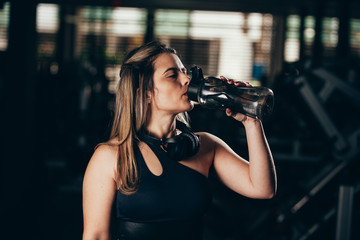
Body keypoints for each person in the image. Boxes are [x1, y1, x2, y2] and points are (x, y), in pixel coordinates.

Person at [82, 41, 277, 240]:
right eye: (172, 74)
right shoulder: (110, 156)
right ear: (145, 93)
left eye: (184, 71)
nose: (186, 79)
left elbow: (263, 189)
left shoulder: (205, 146)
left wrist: (251, 122)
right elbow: (96, 235)